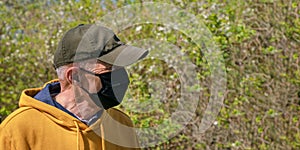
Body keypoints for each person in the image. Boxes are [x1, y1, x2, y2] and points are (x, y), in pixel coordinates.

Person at [0, 24, 148, 150]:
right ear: (75, 77)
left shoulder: (122, 125)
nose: (120, 76)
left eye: (120, 68)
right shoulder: (18, 130)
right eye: (109, 69)